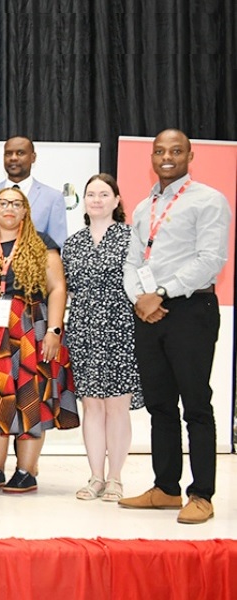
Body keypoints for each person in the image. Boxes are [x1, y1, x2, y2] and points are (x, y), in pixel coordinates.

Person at [120, 129, 231, 524]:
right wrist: (140, 299)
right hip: (148, 313)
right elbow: (132, 261)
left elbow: (210, 258)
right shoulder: (143, 206)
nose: (167, 157)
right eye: (160, 151)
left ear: (190, 154)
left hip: (190, 310)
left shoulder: (209, 200)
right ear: (151, 157)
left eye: (176, 150)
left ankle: (201, 494)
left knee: (196, 405)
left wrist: (161, 294)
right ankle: (166, 489)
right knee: (159, 405)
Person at [0, 186, 78, 494]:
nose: (9, 208)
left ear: (26, 210)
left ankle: (25, 471)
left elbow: (57, 289)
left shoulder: (42, 245)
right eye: (3, 203)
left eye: (16, 203)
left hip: (28, 330)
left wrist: (54, 331)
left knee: (29, 397)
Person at [62, 174, 143, 502]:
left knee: (117, 407)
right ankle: (95, 477)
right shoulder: (73, 242)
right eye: (91, 194)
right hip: (82, 329)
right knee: (92, 407)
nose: (96, 199)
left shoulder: (131, 237)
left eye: (103, 194)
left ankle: (115, 478)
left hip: (121, 327)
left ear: (117, 200)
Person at [0, 136, 69, 247]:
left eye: (20, 153)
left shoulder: (52, 197)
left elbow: (57, 245)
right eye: (8, 154)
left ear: (33, 157)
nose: (13, 158)